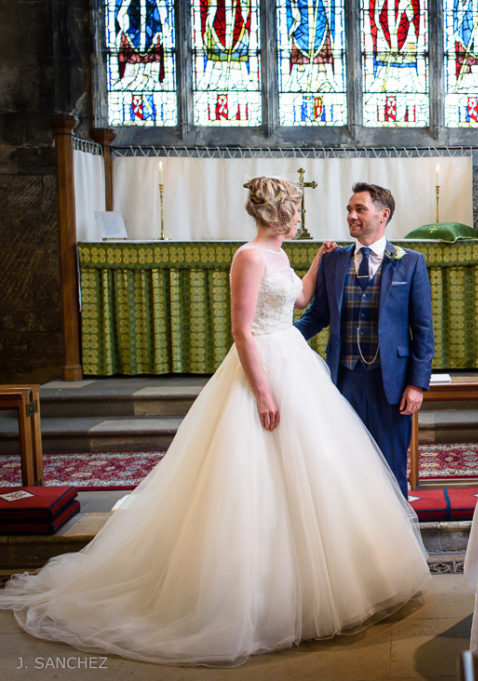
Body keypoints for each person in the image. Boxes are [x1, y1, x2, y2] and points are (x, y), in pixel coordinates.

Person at [0, 177, 430, 666]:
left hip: (301, 366)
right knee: (253, 476)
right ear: (279, 213)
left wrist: (313, 264)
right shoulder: (248, 257)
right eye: (295, 209)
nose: (300, 216)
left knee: (332, 469)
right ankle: (261, 592)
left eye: (356, 209)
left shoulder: (297, 257)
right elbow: (243, 331)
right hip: (267, 372)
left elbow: (302, 303)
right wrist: (264, 391)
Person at [295, 182, 434, 499]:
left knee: (391, 463)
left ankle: (396, 541)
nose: (351, 216)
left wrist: (417, 384)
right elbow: (318, 315)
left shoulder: (410, 262)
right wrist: (283, 337)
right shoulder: (334, 260)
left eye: (359, 209)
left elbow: (423, 328)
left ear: (383, 214)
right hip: (343, 379)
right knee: (344, 463)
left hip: (393, 383)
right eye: (349, 209)